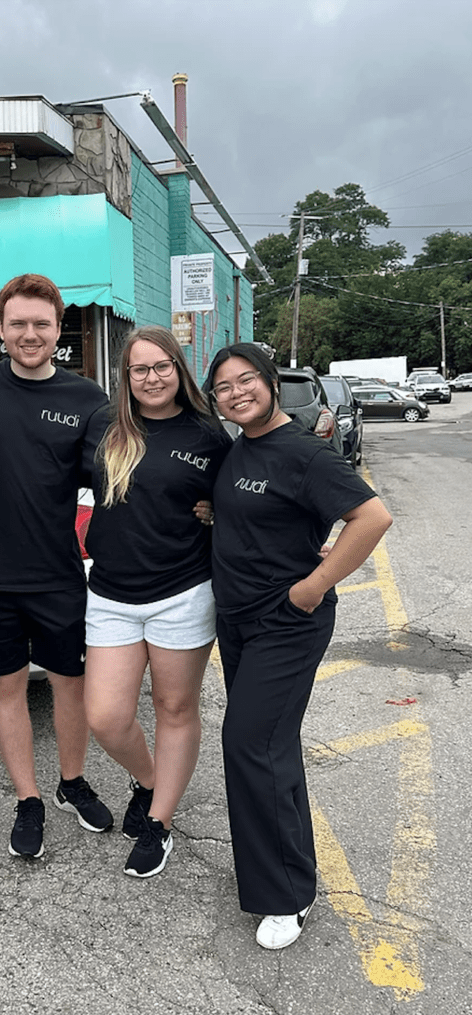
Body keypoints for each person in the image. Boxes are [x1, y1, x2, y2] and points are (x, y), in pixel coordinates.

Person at [205, 342, 393, 949]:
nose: (236, 393)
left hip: (285, 623)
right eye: (224, 387)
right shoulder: (240, 448)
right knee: (270, 748)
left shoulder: (305, 452)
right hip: (238, 621)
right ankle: (289, 874)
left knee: (250, 744)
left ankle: (287, 896)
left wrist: (313, 587)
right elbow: (259, 512)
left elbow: (372, 517)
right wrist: (215, 511)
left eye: (245, 381)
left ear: (269, 384)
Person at [0, 273, 113, 859]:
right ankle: (29, 798)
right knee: (7, 688)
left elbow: (115, 478)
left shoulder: (87, 399)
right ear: (0, 328)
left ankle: (71, 783)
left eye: (41, 324)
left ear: (59, 329)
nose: (29, 334)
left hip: (58, 573)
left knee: (71, 687)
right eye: (17, 323)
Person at [82, 326, 232, 877]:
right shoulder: (104, 427)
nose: (152, 378)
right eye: (139, 369)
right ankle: (149, 780)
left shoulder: (209, 436)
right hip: (112, 595)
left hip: (183, 592)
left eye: (162, 366)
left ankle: (160, 821)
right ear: (126, 376)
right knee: (107, 717)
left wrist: (219, 514)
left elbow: (238, 500)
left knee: (174, 709)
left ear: (179, 369)